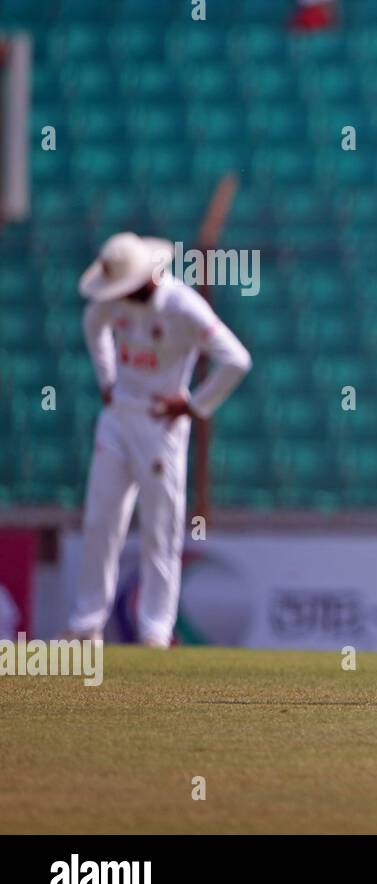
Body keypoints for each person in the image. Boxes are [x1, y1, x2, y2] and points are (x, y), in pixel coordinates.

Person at [66, 232, 251, 647]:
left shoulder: (182, 306)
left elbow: (236, 359)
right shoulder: (113, 301)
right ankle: (85, 625)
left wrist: (193, 405)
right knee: (100, 520)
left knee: (160, 528)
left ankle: (155, 629)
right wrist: (107, 380)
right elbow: (93, 325)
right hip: (117, 417)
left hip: (159, 423)